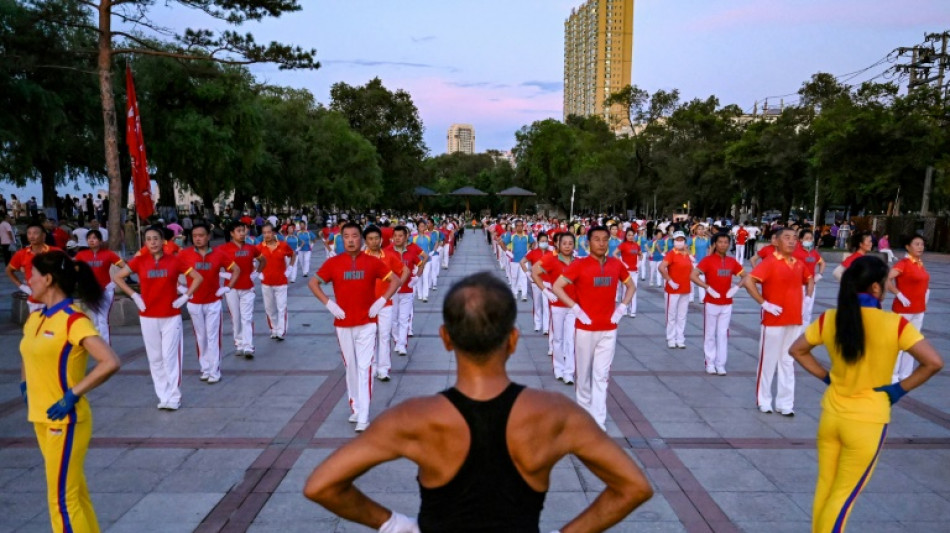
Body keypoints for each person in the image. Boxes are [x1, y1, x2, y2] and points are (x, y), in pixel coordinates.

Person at [303, 272, 654, 531]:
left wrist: (393, 524)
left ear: (446, 339)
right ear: (513, 340)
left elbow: (321, 485)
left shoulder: (414, 418)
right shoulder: (555, 414)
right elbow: (634, 487)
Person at [789, 255, 943, 533]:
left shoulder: (831, 318)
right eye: (884, 283)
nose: (885, 287)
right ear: (874, 287)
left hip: (832, 416)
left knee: (826, 488)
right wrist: (898, 390)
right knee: (843, 497)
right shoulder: (894, 324)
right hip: (867, 421)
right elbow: (934, 362)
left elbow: (797, 350)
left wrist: (827, 376)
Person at [19, 250, 121, 533]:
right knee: (75, 493)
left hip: (64, 422)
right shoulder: (35, 319)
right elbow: (28, 351)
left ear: (48, 279)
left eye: (34, 275)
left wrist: (72, 393)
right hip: (40, 417)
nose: (30, 280)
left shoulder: (73, 320)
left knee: (61, 501)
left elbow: (110, 361)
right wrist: (26, 383)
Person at [309, 222, 399, 432]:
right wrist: (329, 303)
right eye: (346, 236)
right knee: (350, 366)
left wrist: (382, 300)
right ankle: (356, 407)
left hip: (367, 322)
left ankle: (364, 415)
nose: (350, 240)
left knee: (365, 367)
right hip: (343, 323)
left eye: (355, 236)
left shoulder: (372, 262)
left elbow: (394, 280)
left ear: (361, 239)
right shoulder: (334, 263)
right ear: (341, 239)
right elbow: (313, 283)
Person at [553, 226, 635, 430]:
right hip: (585, 328)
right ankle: (583, 415)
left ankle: (598, 419)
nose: (601, 243)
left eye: (605, 239)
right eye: (596, 239)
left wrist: (622, 307)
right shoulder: (579, 265)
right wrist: (575, 308)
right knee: (583, 374)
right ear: (588, 242)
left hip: (608, 328)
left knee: (601, 376)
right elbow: (557, 286)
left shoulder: (616, 265)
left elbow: (631, 286)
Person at [113, 225, 202, 410]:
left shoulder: (175, 260)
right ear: (145, 242)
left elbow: (198, 277)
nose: (152, 242)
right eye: (149, 239)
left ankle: (174, 396)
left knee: (170, 357)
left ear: (163, 241)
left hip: (170, 315)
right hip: (147, 315)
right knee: (155, 358)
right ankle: (163, 395)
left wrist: (186, 296)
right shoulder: (139, 261)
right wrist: (134, 296)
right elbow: (118, 277)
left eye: (156, 238)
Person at [743, 227, 814, 415]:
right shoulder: (770, 262)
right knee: (768, 360)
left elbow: (810, 279)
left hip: (793, 318)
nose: (792, 241)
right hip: (774, 318)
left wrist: (807, 298)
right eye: (787, 238)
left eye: (794, 238)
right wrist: (764, 303)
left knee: (788, 361)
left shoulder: (798, 263)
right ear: (777, 241)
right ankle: (764, 399)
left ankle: (786, 403)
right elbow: (749, 281)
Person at [178, 223, 239, 383]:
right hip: (194, 302)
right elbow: (172, 270)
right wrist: (181, 288)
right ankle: (204, 368)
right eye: (195, 236)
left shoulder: (219, 254)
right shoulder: (185, 254)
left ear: (208, 236)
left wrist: (227, 288)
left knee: (213, 336)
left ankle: (214, 370)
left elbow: (236, 270)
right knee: (201, 336)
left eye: (201, 235)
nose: (198, 238)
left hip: (213, 302)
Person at [692, 233, 745, 375]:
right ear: (715, 244)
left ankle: (720, 364)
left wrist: (736, 288)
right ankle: (710, 362)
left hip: (727, 302)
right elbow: (693, 275)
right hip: (712, 302)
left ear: (729, 244)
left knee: (722, 334)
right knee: (710, 334)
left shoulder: (732, 262)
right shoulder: (708, 260)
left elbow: (746, 276)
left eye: (726, 242)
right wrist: (707, 287)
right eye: (720, 242)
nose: (723, 244)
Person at [363, 225, 408, 382]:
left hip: (385, 303)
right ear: (366, 241)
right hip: (366, 304)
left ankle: (383, 369)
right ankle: (372, 366)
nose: (374, 241)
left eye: (377, 238)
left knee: (384, 336)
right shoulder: (360, 257)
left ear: (381, 240)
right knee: (369, 337)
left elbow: (405, 270)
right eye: (370, 239)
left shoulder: (388, 256)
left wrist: (396, 287)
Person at [534, 232, 578, 384]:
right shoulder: (551, 260)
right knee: (558, 338)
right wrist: (545, 291)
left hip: (573, 306)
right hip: (557, 305)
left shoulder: (577, 262)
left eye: (570, 243)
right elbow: (535, 272)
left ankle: (569, 372)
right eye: (564, 243)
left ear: (574, 245)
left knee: (570, 339)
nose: (567, 246)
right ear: (558, 245)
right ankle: (558, 368)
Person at [887, 235, 930, 383]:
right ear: (907, 247)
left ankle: (906, 374)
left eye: (922, 244)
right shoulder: (903, 264)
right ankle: (893, 375)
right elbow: (887, 278)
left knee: (912, 343)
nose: (920, 247)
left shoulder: (919, 264)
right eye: (917, 244)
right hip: (903, 309)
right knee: (898, 342)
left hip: (919, 309)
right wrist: (898, 293)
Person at [220, 221, 264, 358]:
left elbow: (263, 260)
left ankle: (248, 346)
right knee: (236, 317)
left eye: (243, 230)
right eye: (239, 231)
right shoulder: (223, 249)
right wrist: (222, 274)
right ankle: (239, 343)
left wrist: (256, 273)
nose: (242, 233)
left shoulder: (251, 248)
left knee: (247, 317)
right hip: (231, 288)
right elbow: (214, 264)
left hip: (248, 287)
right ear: (232, 233)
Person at [74, 230, 125, 344]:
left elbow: (126, 268)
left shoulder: (109, 254)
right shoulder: (81, 255)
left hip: (105, 291)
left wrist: (114, 282)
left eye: (95, 238)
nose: (91, 240)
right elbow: (73, 270)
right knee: (94, 319)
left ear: (100, 241)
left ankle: (105, 345)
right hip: (89, 291)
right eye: (89, 238)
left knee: (102, 319)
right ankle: (98, 346)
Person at [386, 226, 427, 357]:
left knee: (404, 318)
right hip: (391, 291)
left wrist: (416, 278)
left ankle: (402, 344)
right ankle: (397, 339)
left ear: (405, 237)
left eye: (400, 236)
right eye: (395, 236)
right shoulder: (386, 251)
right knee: (393, 319)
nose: (397, 238)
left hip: (407, 290)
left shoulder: (410, 252)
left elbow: (421, 264)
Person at [7, 223, 61, 313]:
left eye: (35, 233)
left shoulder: (56, 251)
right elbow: (9, 270)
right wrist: (22, 286)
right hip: (35, 301)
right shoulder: (21, 254)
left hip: (55, 299)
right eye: (29, 233)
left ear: (43, 235)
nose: (32, 236)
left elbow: (69, 269)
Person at [258, 223, 295, 341]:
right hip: (266, 282)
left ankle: (281, 331)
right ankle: (273, 329)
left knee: (281, 306)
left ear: (273, 233)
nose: (267, 235)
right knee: (269, 308)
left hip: (281, 282)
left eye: (269, 232)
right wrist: (258, 272)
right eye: (264, 233)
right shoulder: (259, 247)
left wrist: (290, 268)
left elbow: (293, 254)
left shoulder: (283, 245)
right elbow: (253, 261)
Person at [659, 231, 693, 349]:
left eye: (681, 239)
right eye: (677, 240)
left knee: (682, 315)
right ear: (673, 241)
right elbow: (661, 267)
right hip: (673, 289)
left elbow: (692, 268)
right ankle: (671, 337)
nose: (679, 242)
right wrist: (670, 281)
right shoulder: (671, 254)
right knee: (671, 314)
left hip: (685, 288)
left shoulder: (687, 254)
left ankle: (680, 338)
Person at [520, 233, 552, 334]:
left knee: (546, 305)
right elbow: (522, 262)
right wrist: (528, 273)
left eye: (545, 241)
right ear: (538, 242)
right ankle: (537, 324)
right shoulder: (533, 252)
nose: (544, 243)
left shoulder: (551, 253)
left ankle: (546, 328)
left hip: (547, 282)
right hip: (535, 282)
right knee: (537, 303)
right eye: (542, 241)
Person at [794, 229, 826, 325]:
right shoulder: (795, 252)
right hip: (798, 285)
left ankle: (805, 333)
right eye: (806, 238)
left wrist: (819, 274)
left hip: (811, 285)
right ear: (800, 239)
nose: (809, 240)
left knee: (808, 311)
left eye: (811, 238)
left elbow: (822, 263)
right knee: (798, 310)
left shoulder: (813, 252)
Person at [503, 220, 534, 301]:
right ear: (515, 227)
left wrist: (530, 251)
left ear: (523, 226)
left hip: (524, 260)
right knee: (514, 277)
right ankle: (514, 292)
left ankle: (524, 295)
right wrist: (507, 252)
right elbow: (502, 243)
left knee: (524, 277)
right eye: (518, 226)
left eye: (521, 225)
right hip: (514, 260)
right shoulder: (511, 235)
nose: (520, 227)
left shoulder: (527, 235)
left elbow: (534, 243)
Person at [615, 228, 640, 317]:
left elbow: (640, 255)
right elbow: (614, 254)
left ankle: (633, 311)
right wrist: (622, 263)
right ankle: (624, 309)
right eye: (629, 235)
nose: (630, 237)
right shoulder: (623, 245)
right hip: (625, 272)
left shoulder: (636, 245)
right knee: (625, 290)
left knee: (634, 290)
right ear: (626, 236)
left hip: (634, 271)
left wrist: (639, 263)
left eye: (632, 235)